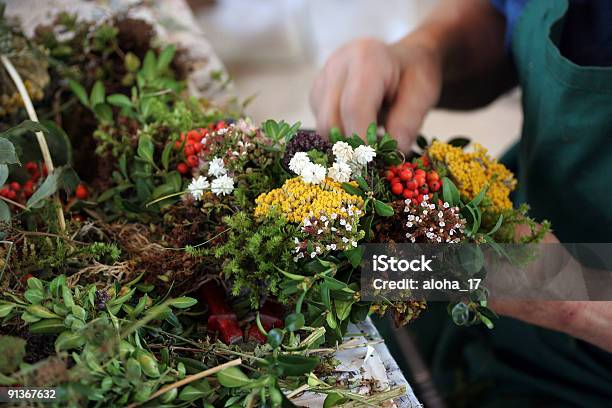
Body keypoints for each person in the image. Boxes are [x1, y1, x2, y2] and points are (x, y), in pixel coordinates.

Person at [311, 0, 612, 406]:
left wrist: (576, 301)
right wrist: (428, 50)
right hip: (512, 233)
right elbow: (510, 15)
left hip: (587, 364)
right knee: (344, 290)